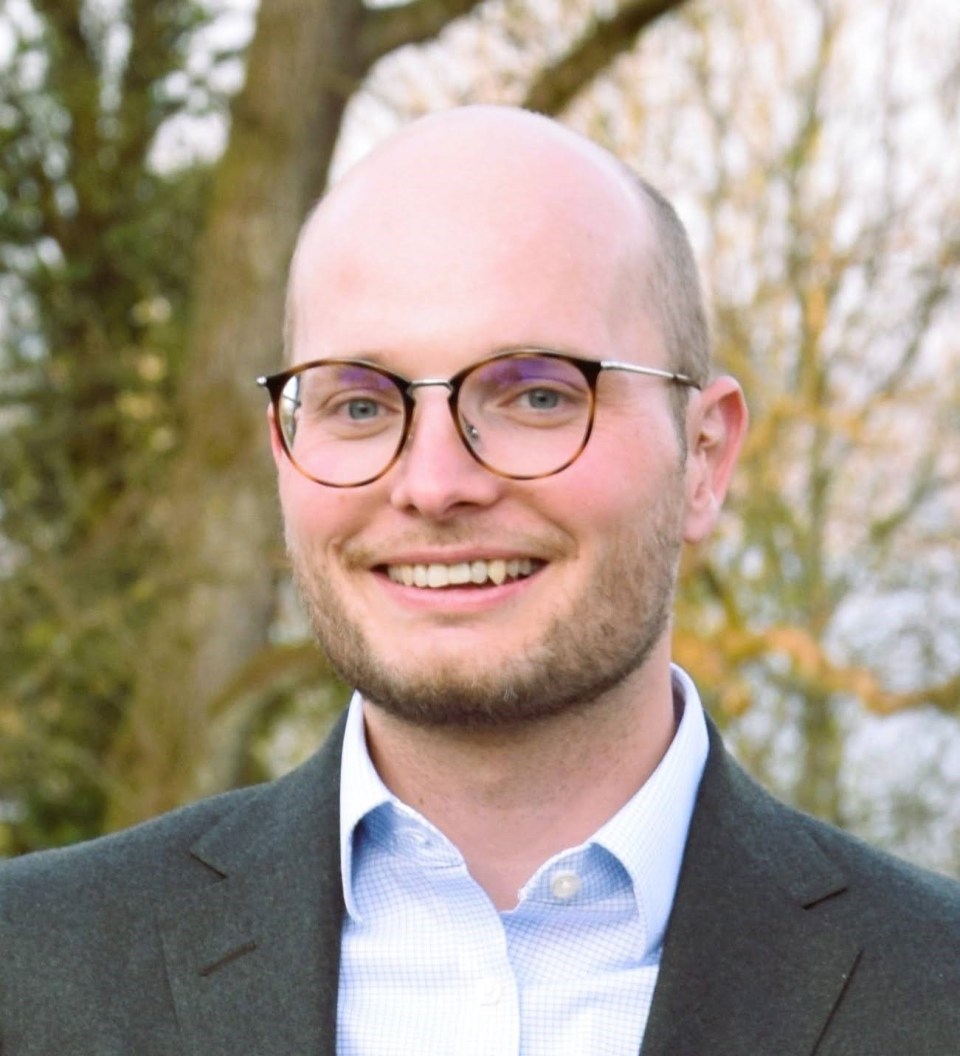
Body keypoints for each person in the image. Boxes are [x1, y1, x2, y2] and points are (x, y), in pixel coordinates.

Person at [0, 106, 957, 1056]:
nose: (434, 484)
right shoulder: (31, 973)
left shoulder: (932, 990)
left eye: (538, 394)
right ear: (285, 455)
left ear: (704, 455)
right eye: (360, 404)